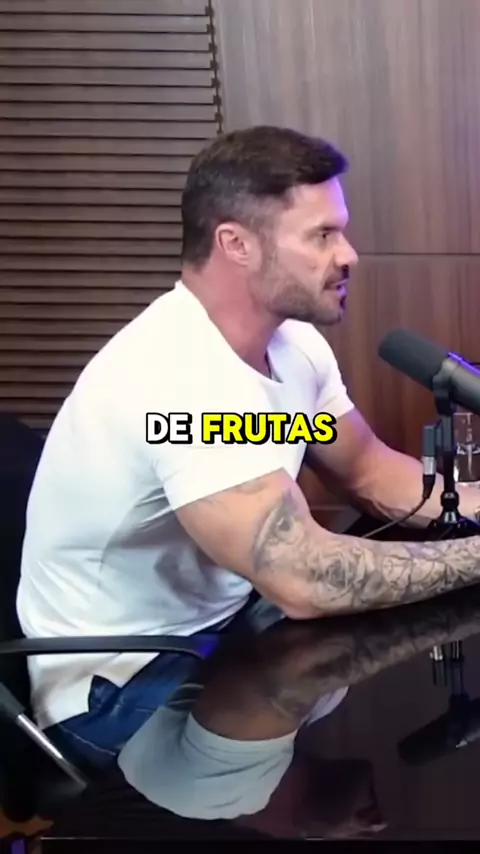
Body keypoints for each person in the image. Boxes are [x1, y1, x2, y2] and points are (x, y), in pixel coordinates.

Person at [16, 125, 480, 769]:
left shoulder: (292, 347)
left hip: (227, 625)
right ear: (235, 243)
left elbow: (369, 472)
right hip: (122, 686)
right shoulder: (176, 376)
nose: (348, 255)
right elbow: (303, 577)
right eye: (322, 235)